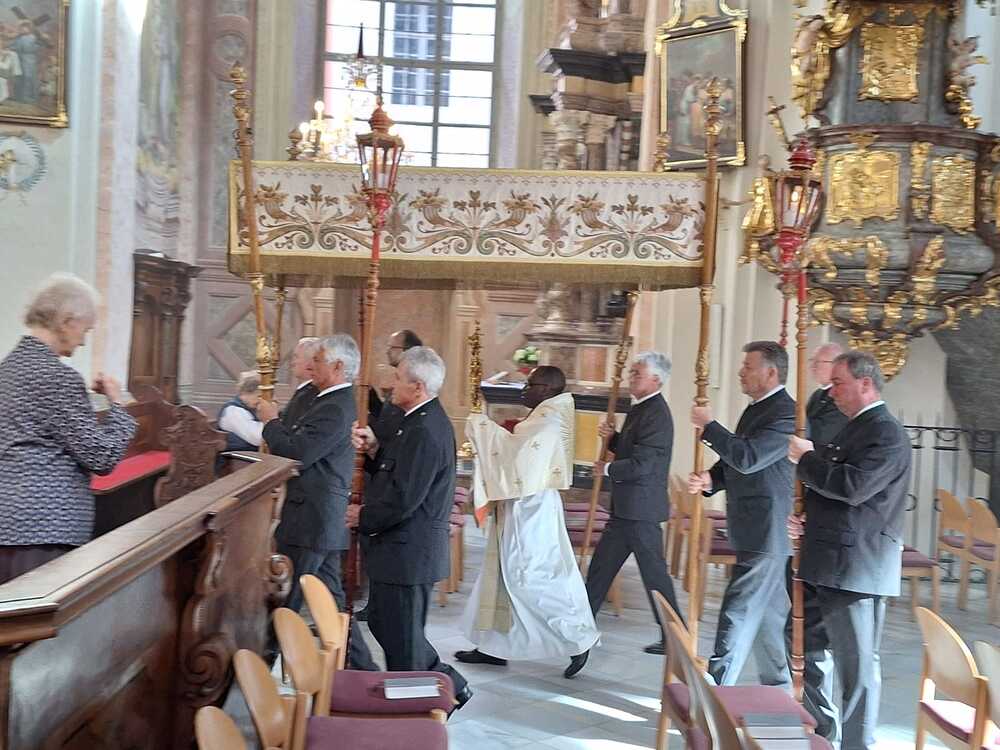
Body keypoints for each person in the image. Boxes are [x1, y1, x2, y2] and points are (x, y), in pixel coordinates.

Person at [787, 351, 910, 750]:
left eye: (838, 383)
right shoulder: (855, 427)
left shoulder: (886, 432)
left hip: (855, 568)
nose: (832, 391)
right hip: (828, 561)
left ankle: (857, 745)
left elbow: (853, 487)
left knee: (856, 667)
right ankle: (825, 732)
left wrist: (806, 458)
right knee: (807, 646)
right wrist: (808, 520)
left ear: (866, 383)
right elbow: (837, 497)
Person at [347, 346, 472, 710]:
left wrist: (362, 516)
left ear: (417, 387)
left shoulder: (425, 430)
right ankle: (450, 685)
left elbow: (404, 499)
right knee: (388, 627)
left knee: (403, 643)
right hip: (399, 552)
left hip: (408, 553)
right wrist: (374, 451)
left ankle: (416, 711)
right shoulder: (415, 421)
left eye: (398, 377)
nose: (391, 383)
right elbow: (397, 472)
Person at [456, 366, 599, 670]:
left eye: (529, 384)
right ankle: (493, 647)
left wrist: (482, 426)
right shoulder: (543, 417)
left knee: (530, 578)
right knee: (502, 575)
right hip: (521, 506)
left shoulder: (547, 422)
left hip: (531, 511)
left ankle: (578, 639)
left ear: (546, 389)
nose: (523, 390)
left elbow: (515, 459)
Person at [0, 273, 137, 584]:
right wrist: (118, 404)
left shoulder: (6, 370)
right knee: (35, 614)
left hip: (7, 523)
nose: (84, 341)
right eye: (85, 329)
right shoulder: (58, 377)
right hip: (44, 530)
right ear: (66, 321)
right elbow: (102, 457)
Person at [257, 334, 377, 671]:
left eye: (319, 360)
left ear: (337, 367)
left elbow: (296, 452)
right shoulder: (324, 398)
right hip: (315, 518)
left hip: (312, 518)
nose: (313, 365)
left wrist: (270, 422)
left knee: (287, 598)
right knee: (331, 601)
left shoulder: (335, 406)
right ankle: (365, 670)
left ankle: (260, 669)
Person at [688, 340, 795, 690]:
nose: (741, 372)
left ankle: (717, 688)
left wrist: (710, 427)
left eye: (748, 367)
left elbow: (750, 457)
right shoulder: (758, 409)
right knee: (768, 615)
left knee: (739, 608)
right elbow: (737, 460)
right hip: (755, 526)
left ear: (771, 372)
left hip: (767, 528)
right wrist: (712, 479)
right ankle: (779, 686)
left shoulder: (786, 414)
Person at [574, 351, 682, 677]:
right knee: (600, 572)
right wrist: (613, 439)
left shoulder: (657, 414)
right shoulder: (641, 408)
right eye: (632, 371)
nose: (630, 377)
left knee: (655, 577)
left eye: (637, 373)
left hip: (641, 510)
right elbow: (633, 448)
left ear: (656, 380)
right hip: (627, 510)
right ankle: (579, 635)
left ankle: (676, 637)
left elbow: (644, 464)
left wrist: (607, 468)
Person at [787, 340, 849, 734]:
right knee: (800, 633)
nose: (812, 366)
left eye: (819, 361)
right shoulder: (817, 398)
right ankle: (816, 717)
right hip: (812, 518)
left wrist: (806, 456)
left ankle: (828, 726)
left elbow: (828, 462)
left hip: (835, 542)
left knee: (819, 641)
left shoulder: (845, 415)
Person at [217, 371, 264, 452]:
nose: (261, 400)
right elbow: (257, 438)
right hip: (236, 458)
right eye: (259, 396)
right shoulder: (233, 411)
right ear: (246, 392)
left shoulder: (252, 408)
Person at [280, 337, 321, 429]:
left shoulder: (309, 394)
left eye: (296, 357)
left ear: (310, 362)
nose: (292, 362)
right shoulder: (304, 391)